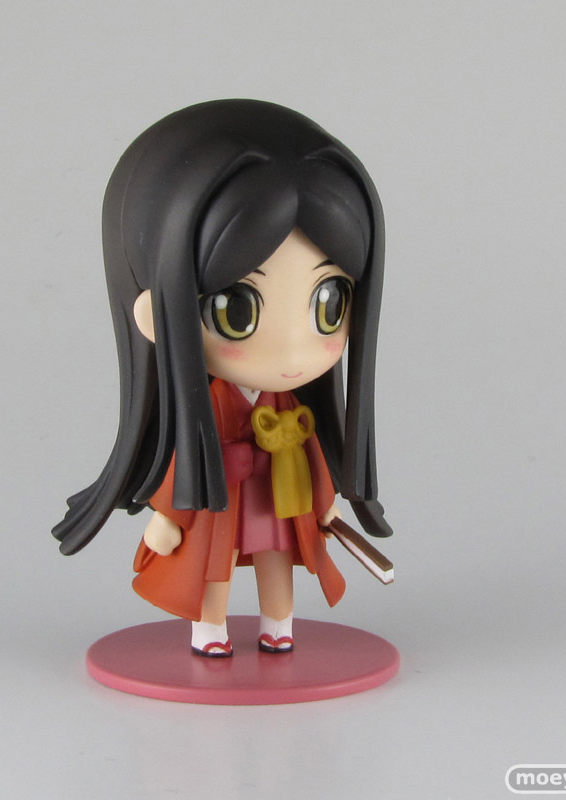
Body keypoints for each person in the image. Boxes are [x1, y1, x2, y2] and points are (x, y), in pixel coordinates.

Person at [53, 100, 392, 656]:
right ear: (155, 312)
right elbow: (182, 461)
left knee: (278, 559)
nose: (291, 353)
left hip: (279, 500)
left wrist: (325, 500)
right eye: (239, 311)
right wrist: (169, 515)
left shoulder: (288, 407)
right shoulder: (210, 405)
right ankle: (210, 629)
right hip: (220, 507)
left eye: (329, 304)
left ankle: (278, 624)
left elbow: (308, 453)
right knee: (213, 564)